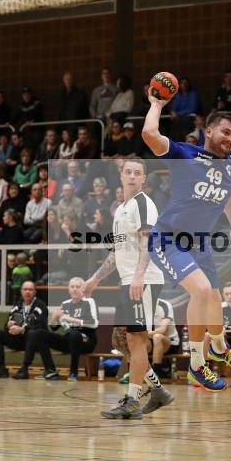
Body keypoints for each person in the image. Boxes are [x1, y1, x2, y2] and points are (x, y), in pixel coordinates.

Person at [141, 92, 231, 391]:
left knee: (214, 298)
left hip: (199, 242)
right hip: (168, 239)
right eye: (226, 132)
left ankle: (217, 346)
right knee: (201, 292)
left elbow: (229, 191)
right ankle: (196, 365)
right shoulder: (184, 153)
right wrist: (157, 105)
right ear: (209, 131)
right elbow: (150, 134)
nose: (230, 139)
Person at [83, 158, 175, 418]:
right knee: (120, 340)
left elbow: (148, 243)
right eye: (128, 172)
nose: (132, 176)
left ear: (144, 179)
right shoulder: (120, 209)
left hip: (144, 280)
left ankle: (132, 401)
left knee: (136, 340)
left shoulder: (144, 204)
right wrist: (95, 278)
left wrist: (139, 274)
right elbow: (117, 251)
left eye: (138, 173)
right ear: (121, 176)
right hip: (128, 281)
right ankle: (157, 391)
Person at [22, 277, 99, 381]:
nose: (75, 289)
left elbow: (94, 324)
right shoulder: (65, 304)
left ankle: (73, 372)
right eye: (72, 287)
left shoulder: (89, 301)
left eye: (78, 287)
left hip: (86, 341)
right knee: (38, 333)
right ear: (69, 289)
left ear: (83, 289)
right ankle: (50, 370)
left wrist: (70, 319)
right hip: (69, 341)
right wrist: (54, 316)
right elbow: (53, 327)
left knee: (74, 334)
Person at [0, 280, 49, 378]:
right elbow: (6, 326)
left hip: (34, 342)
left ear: (35, 292)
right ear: (21, 291)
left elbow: (41, 326)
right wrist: (9, 325)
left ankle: (24, 369)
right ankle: (1, 368)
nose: (27, 292)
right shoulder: (17, 305)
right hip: (19, 340)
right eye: (25, 289)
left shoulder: (41, 305)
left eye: (30, 289)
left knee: (32, 333)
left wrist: (23, 329)